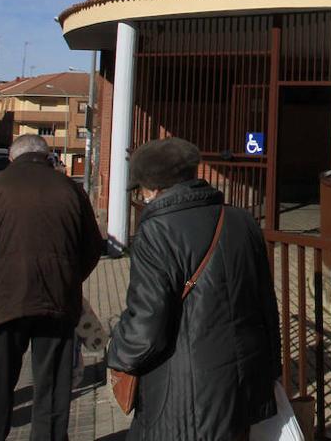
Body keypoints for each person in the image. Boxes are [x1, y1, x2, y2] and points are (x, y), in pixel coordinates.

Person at [106, 137, 282, 441]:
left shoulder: (156, 230)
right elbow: (267, 305)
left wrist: (117, 353)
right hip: (244, 383)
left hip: (184, 391)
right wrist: (271, 369)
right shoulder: (242, 220)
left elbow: (146, 326)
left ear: (153, 188)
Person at [0, 134, 104, 441]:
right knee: (52, 383)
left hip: (4, 300)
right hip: (57, 300)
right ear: (48, 157)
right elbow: (93, 246)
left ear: (12, 158)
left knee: (1, 380)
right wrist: (69, 279)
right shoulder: (71, 190)